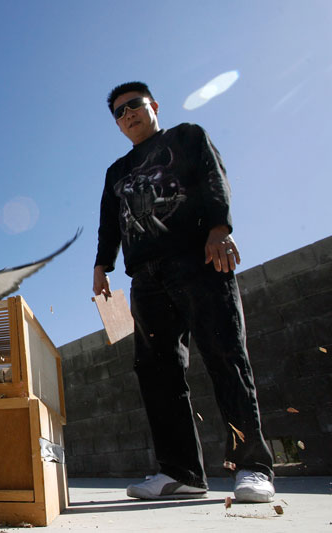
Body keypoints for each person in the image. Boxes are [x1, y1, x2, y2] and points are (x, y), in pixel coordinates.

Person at [92, 81, 275, 503]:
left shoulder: (187, 136)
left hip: (197, 260)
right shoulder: (116, 172)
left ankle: (252, 466)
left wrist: (219, 229)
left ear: (153, 106)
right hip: (146, 279)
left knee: (225, 356)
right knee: (157, 374)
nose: (127, 116)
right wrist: (102, 265)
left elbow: (213, 178)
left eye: (133, 106)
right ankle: (180, 472)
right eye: (119, 113)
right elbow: (109, 221)